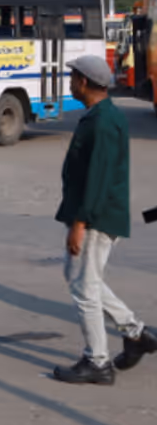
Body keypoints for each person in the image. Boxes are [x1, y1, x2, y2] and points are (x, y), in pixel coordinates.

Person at [51, 54, 156, 385]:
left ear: (84, 81)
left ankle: (98, 362)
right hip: (93, 213)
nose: (69, 83)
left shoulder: (103, 121)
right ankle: (135, 333)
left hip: (97, 217)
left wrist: (81, 223)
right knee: (82, 278)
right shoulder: (101, 115)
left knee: (84, 288)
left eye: (72, 78)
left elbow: (98, 176)